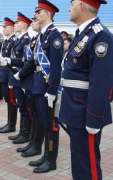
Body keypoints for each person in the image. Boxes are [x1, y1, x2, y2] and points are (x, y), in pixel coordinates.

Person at [59, 0, 113, 179]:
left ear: (81, 6)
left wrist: (94, 119)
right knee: (78, 160)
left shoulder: (100, 35)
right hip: (74, 109)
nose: (69, 8)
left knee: (87, 166)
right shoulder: (83, 34)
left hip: (85, 112)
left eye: (72, 4)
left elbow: (101, 81)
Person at [28, 0, 63, 173]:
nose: (36, 15)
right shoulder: (43, 35)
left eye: (39, 11)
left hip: (47, 86)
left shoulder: (54, 35)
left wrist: (52, 89)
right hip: (39, 84)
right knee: (43, 121)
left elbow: (56, 66)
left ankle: (51, 160)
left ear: (48, 13)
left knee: (51, 124)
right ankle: (45, 154)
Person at [13, 16, 43, 158]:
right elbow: (28, 60)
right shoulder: (35, 38)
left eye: (35, 20)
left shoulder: (48, 37)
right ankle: (31, 140)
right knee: (32, 111)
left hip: (35, 80)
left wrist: (21, 73)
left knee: (38, 114)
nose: (33, 23)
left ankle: (35, 144)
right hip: (31, 79)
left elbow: (31, 62)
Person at [3, 12, 32, 144]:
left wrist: (18, 72)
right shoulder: (19, 39)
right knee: (21, 105)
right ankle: (22, 131)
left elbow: (26, 61)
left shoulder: (26, 40)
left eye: (18, 23)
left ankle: (26, 133)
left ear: (24, 25)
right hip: (15, 76)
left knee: (24, 106)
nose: (15, 25)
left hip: (21, 77)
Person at [0, 17, 17, 133]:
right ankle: (9, 122)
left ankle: (12, 124)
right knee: (7, 100)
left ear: (11, 28)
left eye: (5, 27)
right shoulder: (6, 41)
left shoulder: (13, 41)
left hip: (9, 74)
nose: (3, 29)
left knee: (11, 100)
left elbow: (13, 60)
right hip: (3, 74)